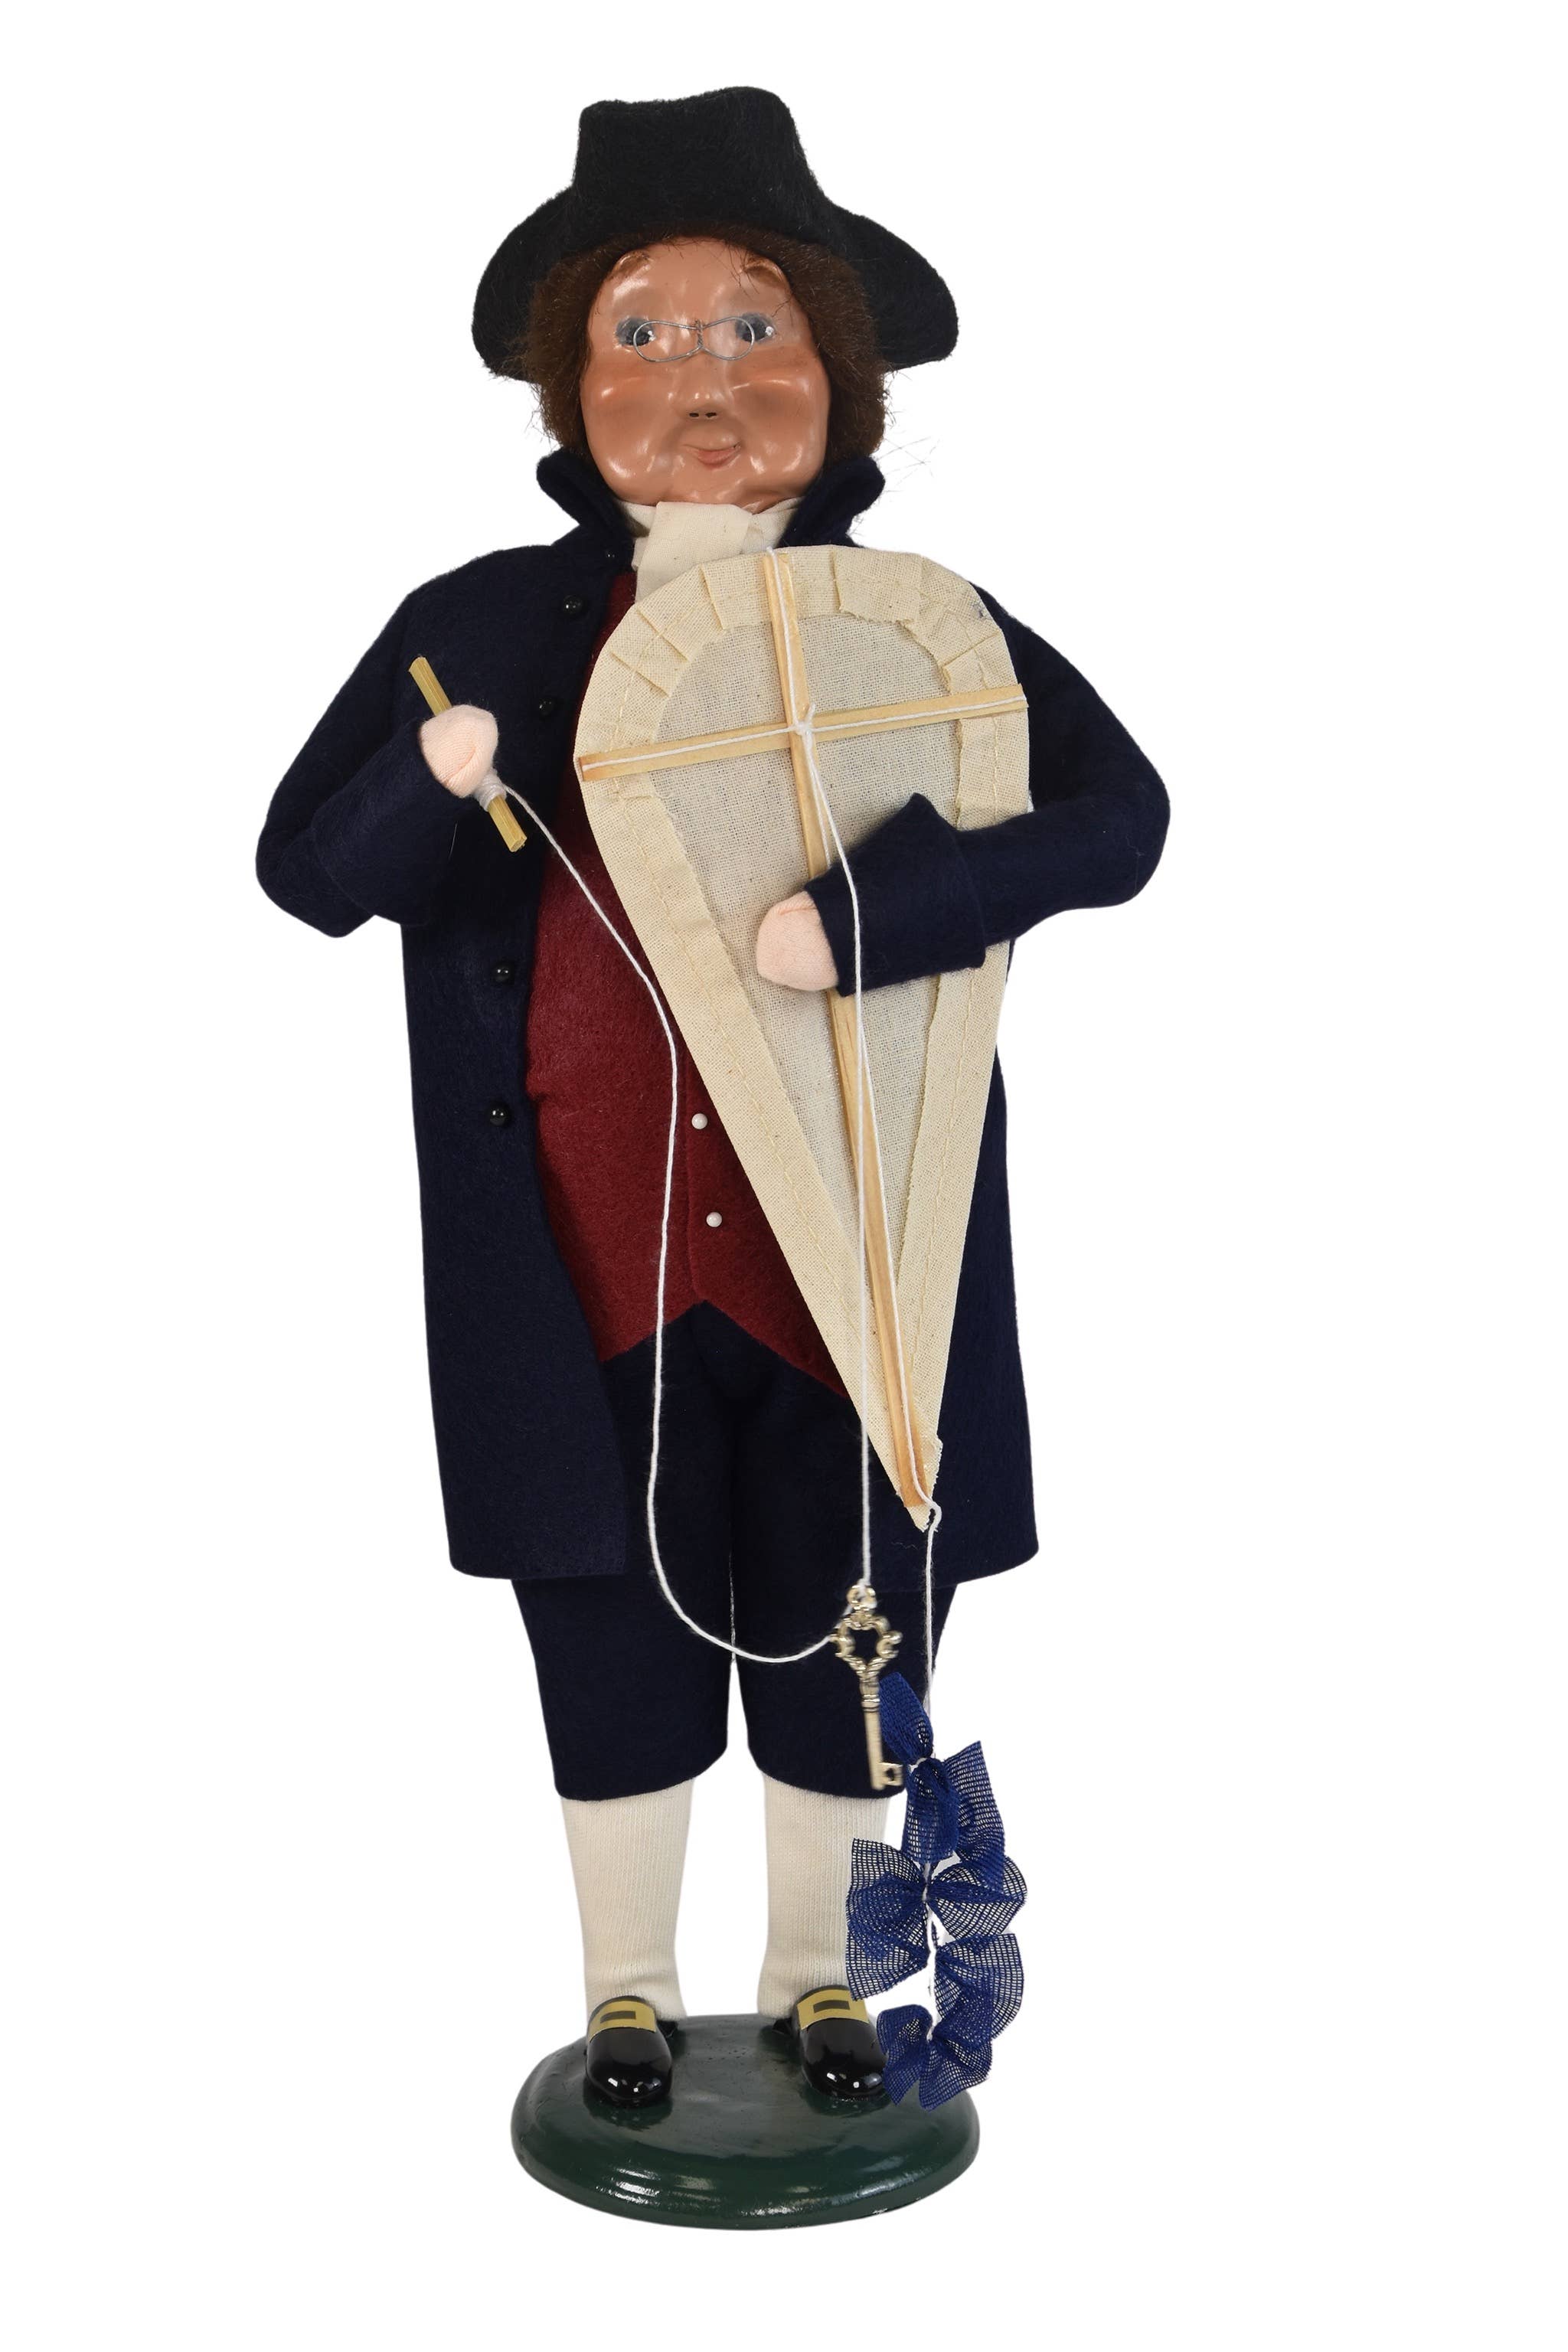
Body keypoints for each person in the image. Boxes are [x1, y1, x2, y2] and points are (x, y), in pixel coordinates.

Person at [256, 87, 1168, 2109]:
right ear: (572, 383)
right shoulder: (474, 628)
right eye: (646, 333)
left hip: (859, 1256)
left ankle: (822, 1976)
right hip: (576, 1275)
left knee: (856, 1621)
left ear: (839, 373)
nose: (702, 381)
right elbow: (306, 872)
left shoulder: (923, 634)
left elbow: (1122, 818)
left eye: (754, 328)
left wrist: (876, 913)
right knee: (607, 1631)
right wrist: (427, 783)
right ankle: (628, 1992)